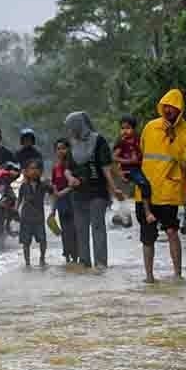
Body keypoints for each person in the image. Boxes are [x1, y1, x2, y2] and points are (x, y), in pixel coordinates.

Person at [138, 89, 186, 282]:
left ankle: (177, 275)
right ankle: (149, 277)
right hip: (146, 191)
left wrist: (173, 140)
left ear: (180, 110)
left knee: (172, 231)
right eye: (166, 107)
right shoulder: (150, 127)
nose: (169, 111)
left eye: (173, 108)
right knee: (147, 236)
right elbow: (141, 153)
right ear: (161, 107)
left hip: (169, 192)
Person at [64, 111, 124, 269]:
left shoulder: (98, 141)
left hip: (97, 191)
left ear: (79, 125)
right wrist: (70, 179)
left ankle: (100, 264)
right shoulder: (72, 143)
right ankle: (84, 264)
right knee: (81, 229)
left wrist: (114, 189)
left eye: (71, 126)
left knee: (97, 226)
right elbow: (67, 168)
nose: (70, 130)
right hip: (78, 193)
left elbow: (106, 167)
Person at [112, 114, 154, 227]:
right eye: (122, 128)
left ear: (133, 129)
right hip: (129, 170)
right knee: (144, 184)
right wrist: (128, 161)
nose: (125, 131)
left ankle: (125, 216)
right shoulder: (121, 142)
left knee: (144, 186)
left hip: (139, 168)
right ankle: (147, 212)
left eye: (127, 128)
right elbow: (114, 158)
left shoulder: (138, 139)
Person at [51, 138, 79, 263]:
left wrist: (63, 192)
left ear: (69, 149)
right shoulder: (55, 168)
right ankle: (67, 257)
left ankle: (76, 256)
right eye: (58, 148)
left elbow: (75, 184)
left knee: (75, 230)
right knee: (65, 231)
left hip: (74, 200)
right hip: (61, 204)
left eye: (63, 148)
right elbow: (54, 189)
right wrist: (52, 210)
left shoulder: (74, 165)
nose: (61, 151)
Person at [17, 158, 48, 267]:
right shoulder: (23, 186)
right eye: (32, 168)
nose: (34, 171)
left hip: (39, 218)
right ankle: (27, 263)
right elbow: (19, 200)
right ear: (27, 171)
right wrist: (15, 212)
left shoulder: (44, 185)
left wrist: (53, 211)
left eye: (37, 169)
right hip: (26, 218)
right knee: (26, 243)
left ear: (41, 171)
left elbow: (54, 194)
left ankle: (42, 259)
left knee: (43, 240)